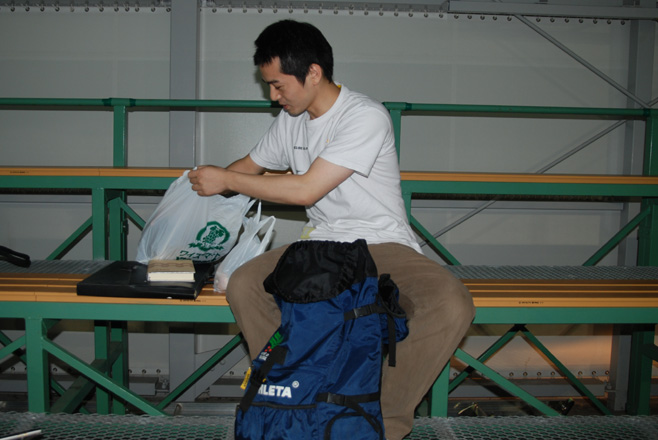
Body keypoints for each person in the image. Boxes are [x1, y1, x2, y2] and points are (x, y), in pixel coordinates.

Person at [188, 19, 475, 440]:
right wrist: (201, 192)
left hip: (382, 244)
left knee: (451, 303)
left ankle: (378, 422)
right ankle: (296, 396)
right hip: (322, 244)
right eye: (269, 86)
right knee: (246, 285)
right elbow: (247, 168)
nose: (273, 96)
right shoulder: (290, 121)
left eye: (278, 85)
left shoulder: (365, 116)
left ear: (313, 73)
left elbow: (306, 189)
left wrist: (227, 180)